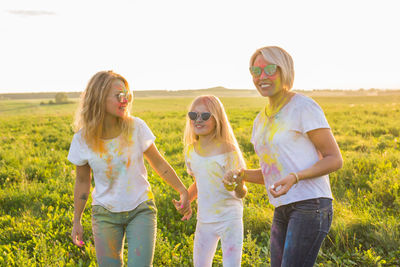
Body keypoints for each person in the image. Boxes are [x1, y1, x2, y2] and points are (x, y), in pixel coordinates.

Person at [223, 46, 343, 267]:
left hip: (311, 204)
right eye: (256, 71)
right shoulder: (260, 121)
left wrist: (295, 177)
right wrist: (241, 175)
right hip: (282, 206)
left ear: (284, 70)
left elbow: (334, 158)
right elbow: (273, 174)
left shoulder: (303, 107)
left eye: (270, 69)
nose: (262, 77)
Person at [67, 70, 190, 266]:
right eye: (119, 96)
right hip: (104, 213)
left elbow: (158, 162)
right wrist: (77, 221)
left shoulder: (136, 127)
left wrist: (182, 189)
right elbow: (82, 182)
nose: (125, 100)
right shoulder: (82, 140)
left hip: (140, 209)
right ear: (99, 98)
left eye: (127, 95)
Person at [173, 95, 247, 267]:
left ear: (217, 119)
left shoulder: (228, 150)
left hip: (230, 219)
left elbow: (242, 191)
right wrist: (187, 201)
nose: (198, 120)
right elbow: (200, 182)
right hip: (204, 220)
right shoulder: (191, 151)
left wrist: (235, 186)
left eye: (205, 116)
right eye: (193, 116)